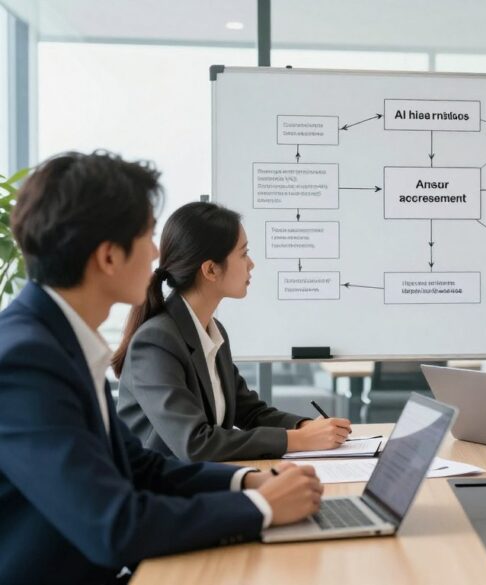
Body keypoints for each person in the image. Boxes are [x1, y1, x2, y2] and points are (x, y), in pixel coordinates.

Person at [0, 151, 324, 584]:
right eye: (148, 236)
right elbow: (114, 526)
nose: (157, 253)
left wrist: (249, 484)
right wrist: (261, 508)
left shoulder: (60, 340)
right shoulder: (25, 360)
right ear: (109, 257)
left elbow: (141, 468)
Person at [114, 202, 351, 462]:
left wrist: (304, 427)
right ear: (210, 269)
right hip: (162, 492)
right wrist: (298, 441)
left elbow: (249, 411)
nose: (251, 264)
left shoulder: (213, 333)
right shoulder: (156, 342)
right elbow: (195, 444)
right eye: (243, 253)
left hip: (199, 483)